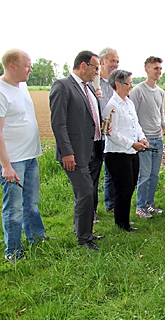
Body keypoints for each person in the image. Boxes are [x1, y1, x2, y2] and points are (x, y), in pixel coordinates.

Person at [50, 50, 104, 251]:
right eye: (95, 67)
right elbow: (58, 122)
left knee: (89, 193)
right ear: (83, 65)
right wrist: (67, 152)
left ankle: (86, 231)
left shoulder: (88, 88)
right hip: (74, 153)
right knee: (85, 193)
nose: (97, 72)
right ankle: (83, 238)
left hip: (92, 150)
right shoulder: (63, 86)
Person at [0, 49, 47, 262]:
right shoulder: (1, 91)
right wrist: (6, 165)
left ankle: (36, 237)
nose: (31, 69)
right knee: (14, 207)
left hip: (30, 156)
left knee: (31, 202)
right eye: (27, 65)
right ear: (13, 66)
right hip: (14, 160)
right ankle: (13, 251)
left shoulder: (23, 86)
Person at [103, 69, 148, 231]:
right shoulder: (112, 106)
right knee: (123, 188)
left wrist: (141, 138)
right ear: (118, 84)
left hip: (131, 152)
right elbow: (111, 133)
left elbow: (136, 125)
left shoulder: (129, 103)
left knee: (130, 187)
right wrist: (132, 143)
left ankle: (125, 221)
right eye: (128, 83)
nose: (131, 86)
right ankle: (122, 224)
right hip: (117, 153)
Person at [129, 56, 165, 219]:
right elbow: (132, 115)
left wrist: (164, 125)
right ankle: (140, 207)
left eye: (160, 68)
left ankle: (149, 204)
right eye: (155, 68)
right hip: (144, 140)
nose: (159, 71)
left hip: (158, 138)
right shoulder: (138, 91)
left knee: (154, 175)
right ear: (146, 69)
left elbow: (160, 112)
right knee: (144, 175)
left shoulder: (160, 92)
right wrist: (138, 138)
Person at [98, 47, 119, 216]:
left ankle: (110, 203)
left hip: (114, 134)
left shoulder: (115, 84)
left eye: (117, 61)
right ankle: (90, 212)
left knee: (112, 171)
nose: (115, 64)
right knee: (93, 174)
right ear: (102, 61)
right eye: (112, 61)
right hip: (97, 136)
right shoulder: (94, 83)